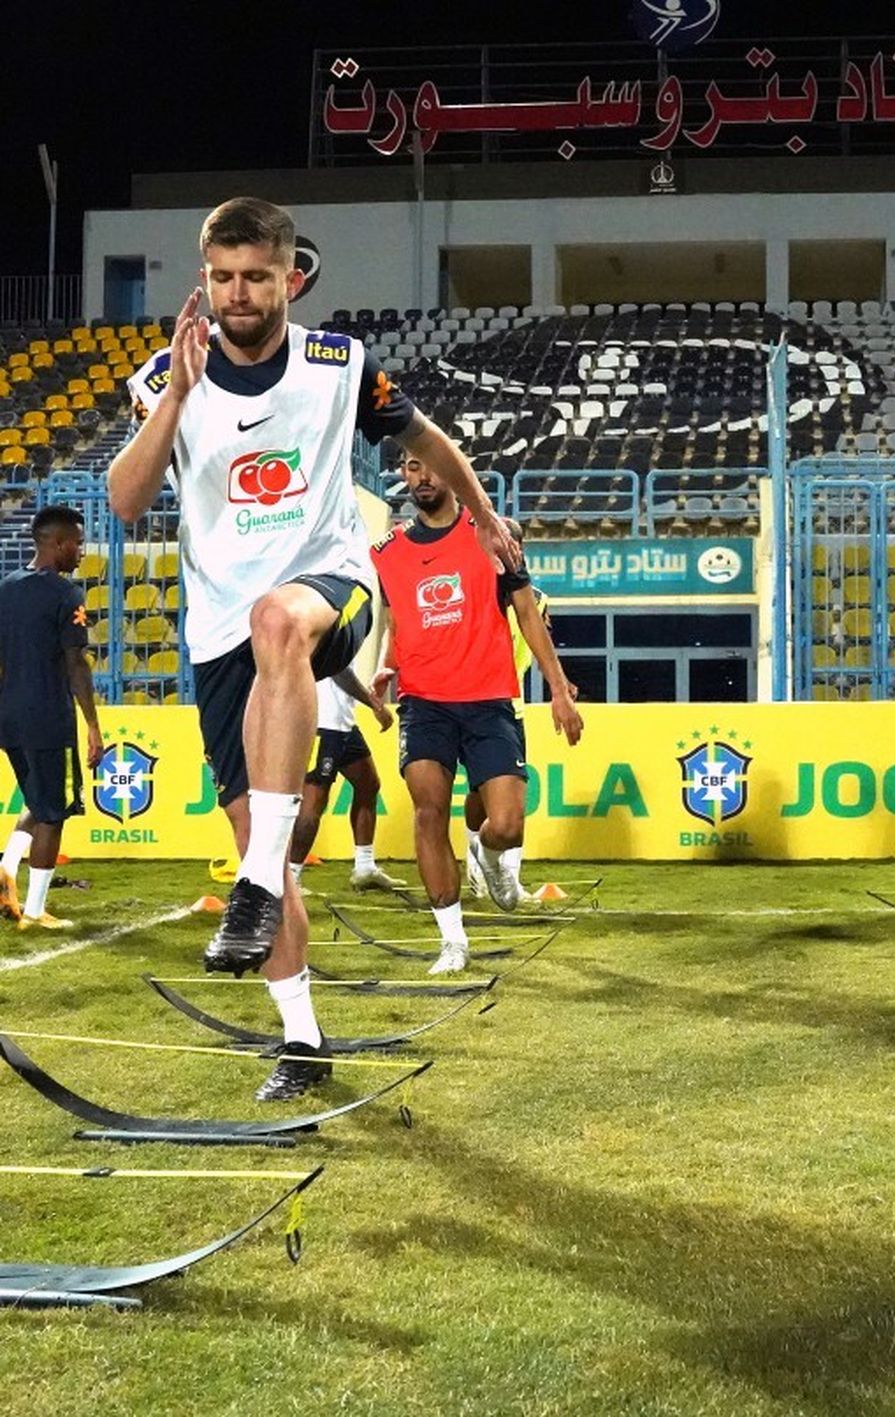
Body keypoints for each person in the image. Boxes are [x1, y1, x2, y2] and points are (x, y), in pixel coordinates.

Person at [110, 196, 521, 1101]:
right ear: (205, 278)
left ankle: (257, 880)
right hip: (215, 632)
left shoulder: (341, 368)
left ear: (290, 277)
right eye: (222, 277)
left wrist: (486, 520)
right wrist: (178, 395)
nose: (239, 294)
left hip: (326, 583)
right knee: (261, 826)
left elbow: (430, 440)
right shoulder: (160, 377)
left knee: (277, 621)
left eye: (257, 276)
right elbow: (126, 501)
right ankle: (302, 1038)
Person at [369, 451, 583, 974]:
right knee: (429, 812)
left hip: (489, 699)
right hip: (424, 702)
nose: (421, 477)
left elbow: (528, 615)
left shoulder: (493, 536)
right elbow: (395, 620)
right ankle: (452, 940)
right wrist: (384, 667)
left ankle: (491, 860)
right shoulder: (386, 552)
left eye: (431, 466)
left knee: (507, 824)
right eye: (411, 467)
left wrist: (559, 689)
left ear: (453, 471)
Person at [0, 505, 104, 931]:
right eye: (77, 543)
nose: (81, 551)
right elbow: (76, 665)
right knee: (54, 811)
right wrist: (93, 727)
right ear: (57, 543)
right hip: (47, 717)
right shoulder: (66, 595)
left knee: (37, 800)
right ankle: (37, 910)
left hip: (9, 718)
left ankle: (6, 872)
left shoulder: (5, 587)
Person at [464, 586, 552, 904]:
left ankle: (510, 877)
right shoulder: (472, 589)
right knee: (477, 792)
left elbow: (540, 642)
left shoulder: (536, 598)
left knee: (513, 799)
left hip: (510, 705)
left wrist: (559, 683)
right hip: (470, 703)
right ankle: (475, 862)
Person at [288, 670, 402, 891]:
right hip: (322, 723)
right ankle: (290, 878)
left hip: (343, 724)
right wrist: (375, 704)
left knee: (368, 784)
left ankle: (364, 867)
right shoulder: (329, 634)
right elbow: (339, 671)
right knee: (314, 802)